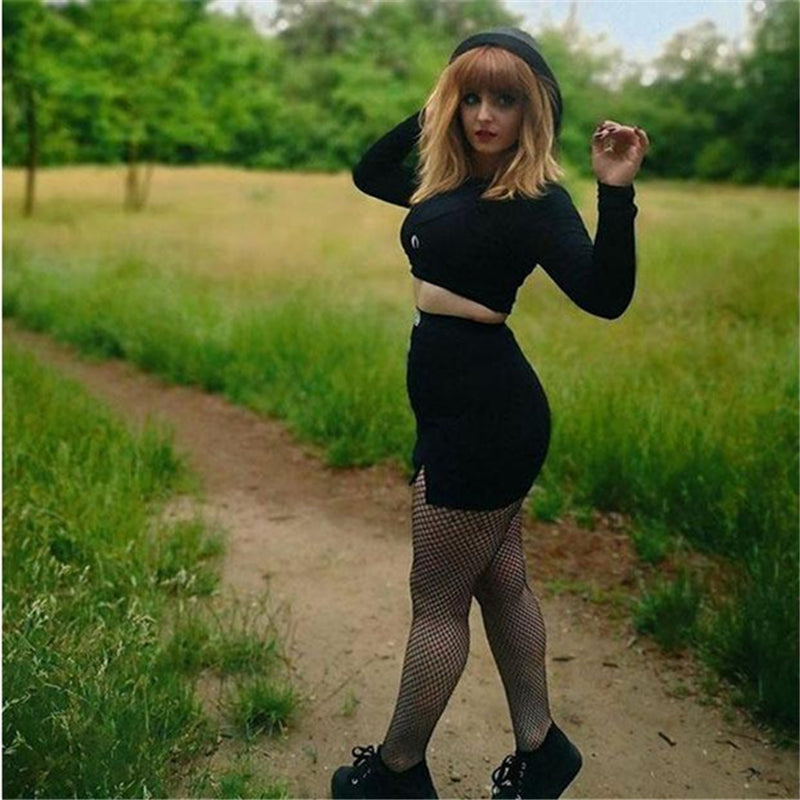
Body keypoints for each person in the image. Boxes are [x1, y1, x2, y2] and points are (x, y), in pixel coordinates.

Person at [331, 26, 649, 800]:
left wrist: (615, 192)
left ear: (531, 111)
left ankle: (397, 771)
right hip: (455, 408)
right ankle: (542, 750)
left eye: (504, 100)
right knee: (502, 584)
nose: (483, 115)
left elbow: (606, 297)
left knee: (437, 604)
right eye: (471, 98)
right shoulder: (443, 182)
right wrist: (441, 98)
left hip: (489, 416)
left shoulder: (534, 201)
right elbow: (368, 172)